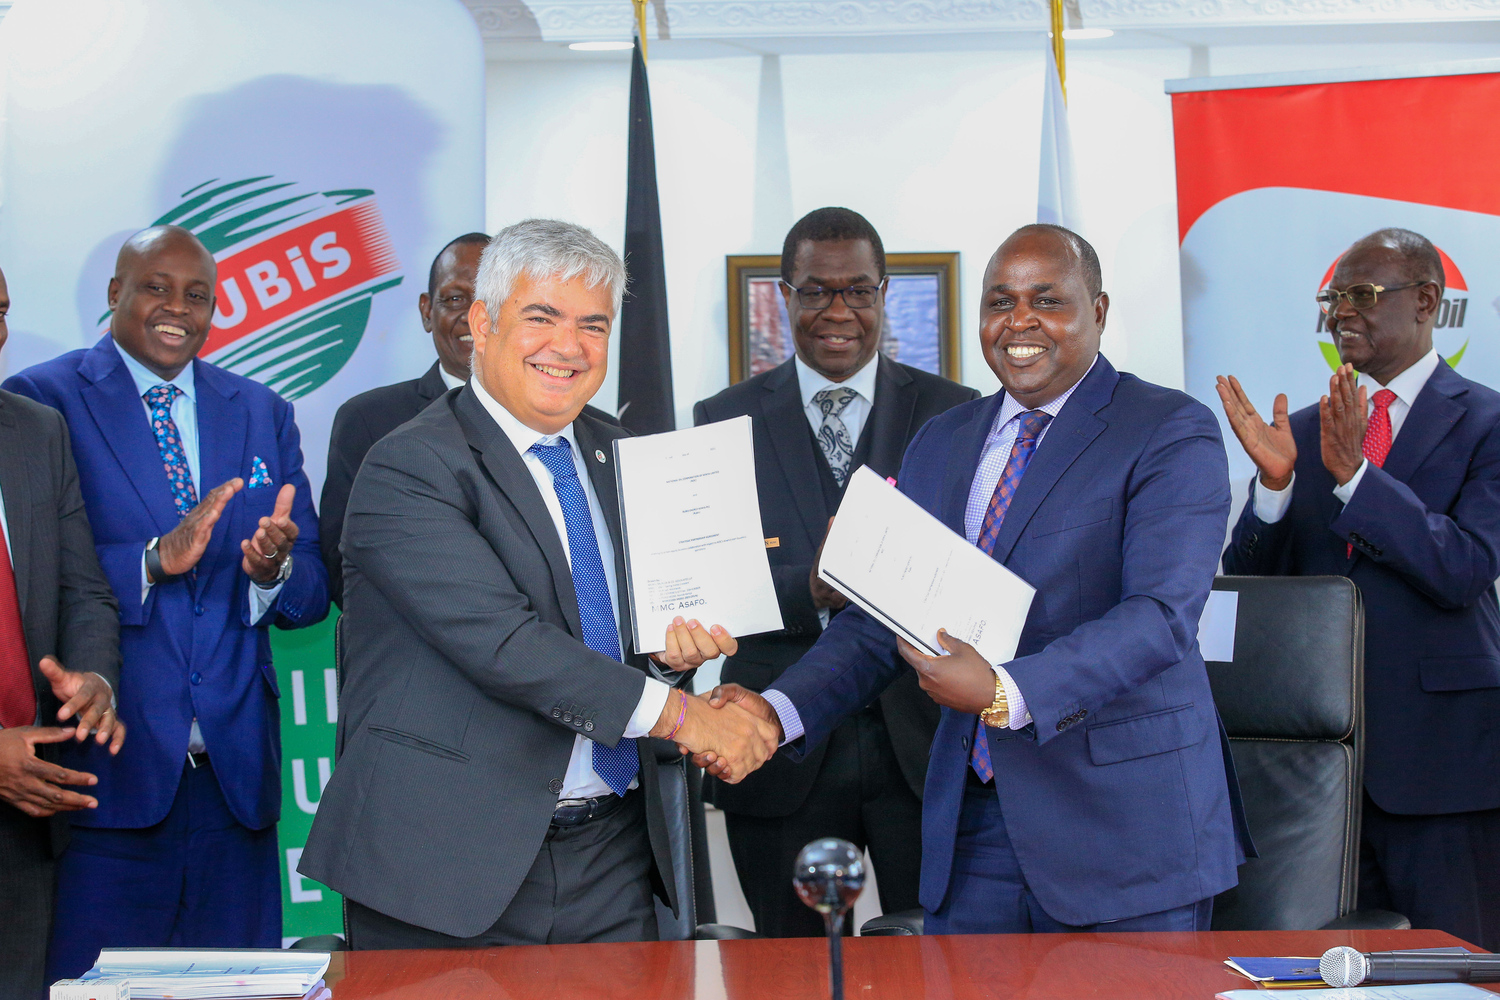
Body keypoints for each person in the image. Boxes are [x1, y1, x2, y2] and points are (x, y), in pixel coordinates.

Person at [700, 224, 1247, 933]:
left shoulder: (1169, 429)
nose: (1019, 321)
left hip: (1123, 830)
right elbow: (877, 622)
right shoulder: (943, 440)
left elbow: (1160, 615)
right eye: (999, 302)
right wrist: (776, 713)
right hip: (973, 829)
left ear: (1100, 311)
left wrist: (1003, 690)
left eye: (1046, 299)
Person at [299, 218, 778, 948]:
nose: (570, 346)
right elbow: (505, 643)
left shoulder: (621, 455)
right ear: (483, 324)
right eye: (541, 317)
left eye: (594, 324)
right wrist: (688, 720)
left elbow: (612, 633)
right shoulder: (409, 466)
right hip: (447, 863)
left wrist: (666, 656)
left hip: (612, 854)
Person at [4, 226, 330, 979]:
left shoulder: (261, 411)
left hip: (235, 787)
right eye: (155, 286)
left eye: (197, 295)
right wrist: (153, 560)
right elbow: (36, 578)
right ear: (116, 293)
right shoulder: (40, 402)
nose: (176, 307)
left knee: (238, 991)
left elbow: (313, 591)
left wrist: (271, 569)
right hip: (103, 783)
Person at [692, 207, 978, 937]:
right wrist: (808, 589)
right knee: (787, 977)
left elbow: (975, 568)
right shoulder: (721, 420)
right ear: (784, 295)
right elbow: (711, 589)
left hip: (922, 747)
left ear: (884, 294)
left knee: (936, 970)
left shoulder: (956, 415)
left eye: (858, 291)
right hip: (783, 749)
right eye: (816, 291)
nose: (838, 312)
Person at [1219, 227, 1500, 950]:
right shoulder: (1302, 435)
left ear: (1428, 301)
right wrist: (1275, 491)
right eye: (1335, 297)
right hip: (1308, 779)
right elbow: (1253, 593)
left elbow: (1465, 567)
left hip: (1442, 772)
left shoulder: (1488, 423)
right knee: (1317, 978)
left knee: (1454, 974)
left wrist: (1357, 481)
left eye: (1364, 294)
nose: (1343, 310)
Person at [0, 266, 124, 998]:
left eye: (2, 309)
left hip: (27, 814)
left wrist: (95, 679)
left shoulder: (36, 430)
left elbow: (84, 591)